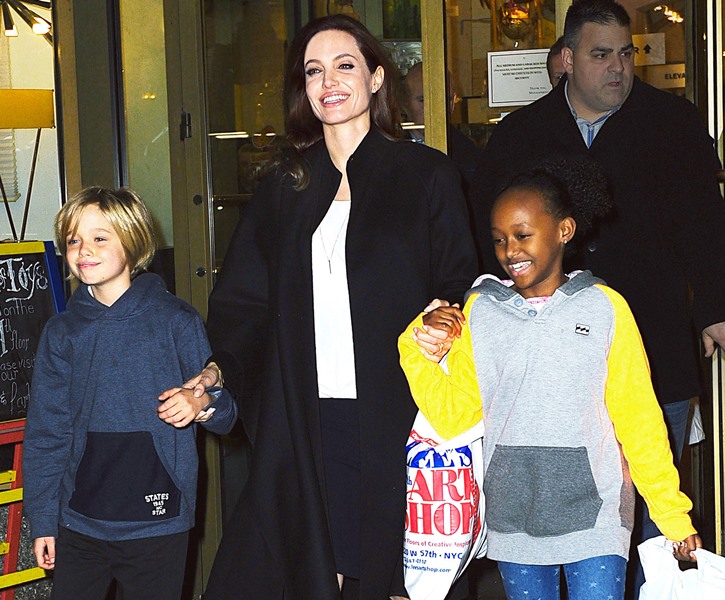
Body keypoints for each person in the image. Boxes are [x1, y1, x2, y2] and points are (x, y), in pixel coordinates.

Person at [184, 14, 478, 600]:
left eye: (345, 65)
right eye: (313, 71)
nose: (329, 82)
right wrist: (219, 371)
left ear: (376, 78)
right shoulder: (283, 184)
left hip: (400, 414)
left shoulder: (426, 174)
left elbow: (461, 282)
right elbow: (244, 300)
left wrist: (446, 319)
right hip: (307, 414)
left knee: (395, 575)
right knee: (311, 570)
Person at [471, 2, 725, 594]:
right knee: (564, 512)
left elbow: (706, 225)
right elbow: (492, 241)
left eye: (626, 54)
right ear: (566, 59)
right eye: (601, 54)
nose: (618, 67)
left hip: (653, 344)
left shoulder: (673, 123)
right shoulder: (519, 135)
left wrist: (714, 310)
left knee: (654, 503)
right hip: (547, 365)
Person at [399, 160, 702, 600]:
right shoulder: (480, 313)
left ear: (564, 230)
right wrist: (415, 341)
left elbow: (639, 421)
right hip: (513, 518)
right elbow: (453, 415)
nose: (510, 251)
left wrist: (672, 515)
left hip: (597, 517)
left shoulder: (605, 308)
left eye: (522, 235)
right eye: (499, 239)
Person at [22, 187, 238, 600]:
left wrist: (201, 403)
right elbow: (47, 432)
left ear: (133, 242)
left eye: (100, 238)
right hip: (79, 521)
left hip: (157, 522)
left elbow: (226, 416)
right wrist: (44, 519)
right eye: (74, 240)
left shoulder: (176, 320)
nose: (84, 250)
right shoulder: (62, 332)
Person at [402, 61, 480, 199]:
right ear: (404, 103)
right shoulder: (390, 147)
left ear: (454, 101)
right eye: (423, 100)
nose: (435, 108)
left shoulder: (467, 152)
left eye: (445, 99)